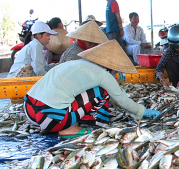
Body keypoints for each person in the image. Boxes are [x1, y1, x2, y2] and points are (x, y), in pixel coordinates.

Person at [23, 40, 160, 138]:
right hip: (52, 117)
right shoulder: (102, 74)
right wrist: (142, 111)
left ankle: (47, 126)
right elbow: (121, 99)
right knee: (101, 92)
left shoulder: (76, 64)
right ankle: (69, 129)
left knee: (70, 94)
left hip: (30, 110)